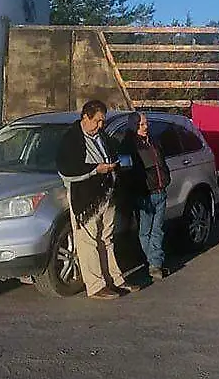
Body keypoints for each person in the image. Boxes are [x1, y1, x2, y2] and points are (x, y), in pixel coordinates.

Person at [56, 99, 138, 300]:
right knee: (88, 241)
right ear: (85, 117)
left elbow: (112, 154)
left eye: (102, 121)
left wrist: (115, 165)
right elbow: (67, 170)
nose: (100, 125)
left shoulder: (102, 137)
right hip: (86, 198)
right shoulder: (71, 139)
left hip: (107, 194)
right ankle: (95, 285)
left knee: (107, 238)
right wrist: (95, 169)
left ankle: (115, 280)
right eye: (97, 121)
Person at [120, 111, 171, 282]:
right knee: (146, 231)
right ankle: (153, 262)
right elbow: (128, 171)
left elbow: (161, 162)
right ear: (134, 125)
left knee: (158, 230)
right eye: (141, 124)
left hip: (160, 190)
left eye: (146, 123)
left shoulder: (153, 142)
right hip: (145, 194)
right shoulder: (130, 145)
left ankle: (155, 263)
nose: (145, 127)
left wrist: (165, 178)